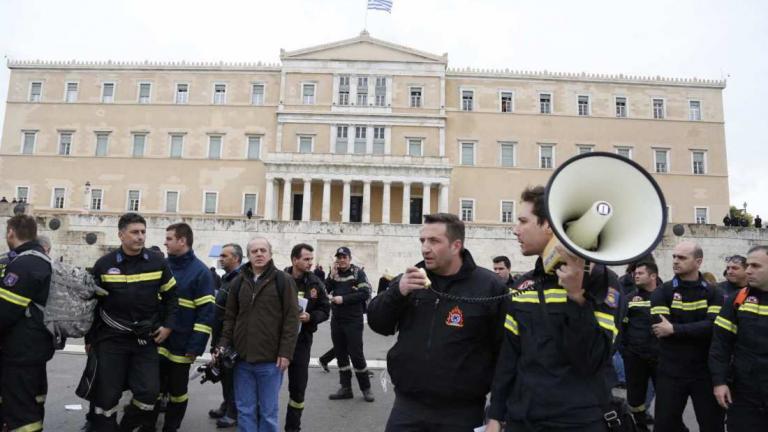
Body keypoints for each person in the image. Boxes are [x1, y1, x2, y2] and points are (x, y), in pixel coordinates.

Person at [487, 186, 619, 432]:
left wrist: (575, 296)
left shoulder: (601, 281)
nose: (515, 229)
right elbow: (509, 356)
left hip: (577, 422)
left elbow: (592, 360)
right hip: (522, 418)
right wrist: (496, 413)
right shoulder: (523, 284)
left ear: (548, 225)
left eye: (523, 221)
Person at [368, 213, 506, 431]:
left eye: (434, 241)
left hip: (462, 413)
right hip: (408, 407)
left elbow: (505, 354)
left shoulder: (489, 286)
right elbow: (378, 323)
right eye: (422, 240)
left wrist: (497, 413)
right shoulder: (411, 279)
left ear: (455, 245)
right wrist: (398, 291)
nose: (425, 248)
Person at [88, 212, 179, 431]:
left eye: (143, 232)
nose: (140, 237)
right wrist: (90, 339)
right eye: (134, 232)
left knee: (149, 392)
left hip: (144, 340)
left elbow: (172, 298)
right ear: (121, 235)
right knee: (107, 395)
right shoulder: (103, 265)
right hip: (111, 340)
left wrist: (168, 326)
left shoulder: (158, 262)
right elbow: (91, 306)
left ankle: (127, 426)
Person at [218, 237, 299, 432]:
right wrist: (223, 345)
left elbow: (291, 320)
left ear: (270, 254)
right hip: (242, 360)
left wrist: (286, 353)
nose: (259, 254)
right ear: (248, 256)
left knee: (268, 412)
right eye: (254, 251)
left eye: (263, 250)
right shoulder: (238, 282)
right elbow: (230, 318)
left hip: (271, 361)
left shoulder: (283, 281)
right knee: (245, 410)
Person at [144, 223, 215, 431]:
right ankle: (149, 426)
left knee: (177, 391)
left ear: (182, 241)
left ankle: (171, 428)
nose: (164, 242)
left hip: (182, 344)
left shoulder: (201, 272)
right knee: (152, 389)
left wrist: (195, 347)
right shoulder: (162, 265)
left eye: (169, 239)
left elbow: (206, 314)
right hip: (157, 339)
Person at [650, 241, 724, 432]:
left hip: (705, 372)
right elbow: (660, 329)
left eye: (681, 257)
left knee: (712, 425)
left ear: (698, 262)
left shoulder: (714, 292)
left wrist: (675, 329)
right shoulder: (662, 291)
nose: (675, 261)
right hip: (670, 372)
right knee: (664, 426)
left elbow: (714, 327)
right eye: (674, 256)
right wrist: (698, 329)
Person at [0, 215, 54, 432]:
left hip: (20, 350)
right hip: (36, 346)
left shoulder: (23, 264)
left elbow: (5, 312)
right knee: (32, 401)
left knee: (20, 412)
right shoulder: (41, 258)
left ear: (11, 232)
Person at [710, 245, 768, 430]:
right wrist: (719, 382)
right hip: (745, 393)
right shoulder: (738, 300)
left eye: (756, 266)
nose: (749, 270)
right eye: (748, 265)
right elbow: (720, 344)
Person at [284, 243, 330, 432]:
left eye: (311, 259)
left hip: (301, 342)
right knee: (267, 386)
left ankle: (293, 428)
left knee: (298, 389)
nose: (310, 263)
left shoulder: (315, 283)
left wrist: (311, 317)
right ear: (295, 260)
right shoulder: (279, 279)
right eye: (306, 259)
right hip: (276, 342)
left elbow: (325, 309)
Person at [325, 246, 374, 402]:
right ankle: (346, 388)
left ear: (349, 258)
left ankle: (366, 388)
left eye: (344, 257)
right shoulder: (334, 273)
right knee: (340, 354)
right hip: (337, 319)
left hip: (353, 319)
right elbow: (323, 291)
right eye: (338, 257)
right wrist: (330, 277)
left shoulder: (358, 273)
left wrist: (343, 299)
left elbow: (365, 293)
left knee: (356, 354)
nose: (341, 260)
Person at [619, 262, 660, 430]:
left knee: (667, 396)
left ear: (653, 276)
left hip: (661, 357)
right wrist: (626, 352)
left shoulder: (665, 296)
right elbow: (622, 327)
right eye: (635, 273)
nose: (635, 275)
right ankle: (640, 425)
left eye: (640, 273)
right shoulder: (629, 299)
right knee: (635, 398)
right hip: (635, 357)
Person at [209, 243, 243, 428]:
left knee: (231, 375)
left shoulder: (239, 281)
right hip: (219, 333)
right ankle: (226, 405)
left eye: (225, 255)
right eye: (221, 255)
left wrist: (227, 341)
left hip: (230, 337)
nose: (220, 258)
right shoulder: (227, 279)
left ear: (236, 258)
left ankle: (233, 412)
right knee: (223, 372)